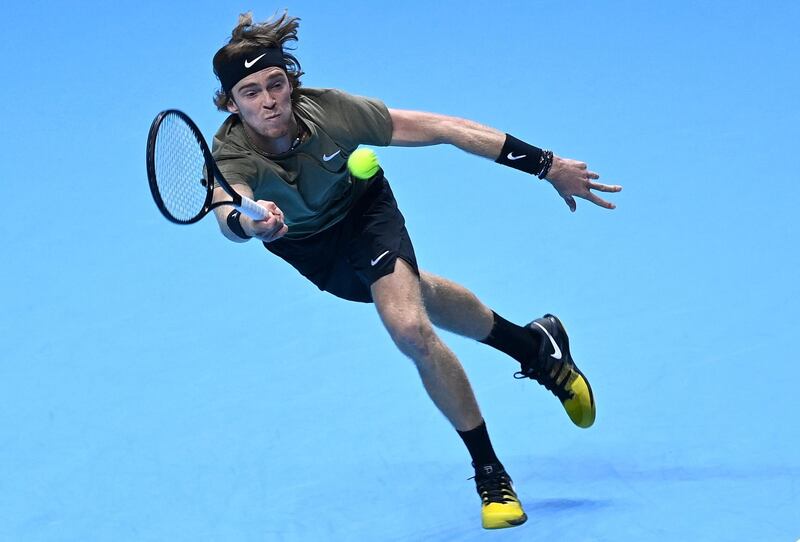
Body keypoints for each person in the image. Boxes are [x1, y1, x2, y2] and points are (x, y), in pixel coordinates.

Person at [209, 12, 621, 530]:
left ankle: (490, 473)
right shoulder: (228, 157)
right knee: (415, 296)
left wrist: (547, 165)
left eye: (276, 84)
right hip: (309, 248)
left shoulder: (334, 113)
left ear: (291, 82)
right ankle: (535, 347)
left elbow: (446, 129)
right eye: (250, 92)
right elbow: (230, 212)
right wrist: (251, 224)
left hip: (364, 214)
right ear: (230, 102)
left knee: (408, 327)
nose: (269, 100)